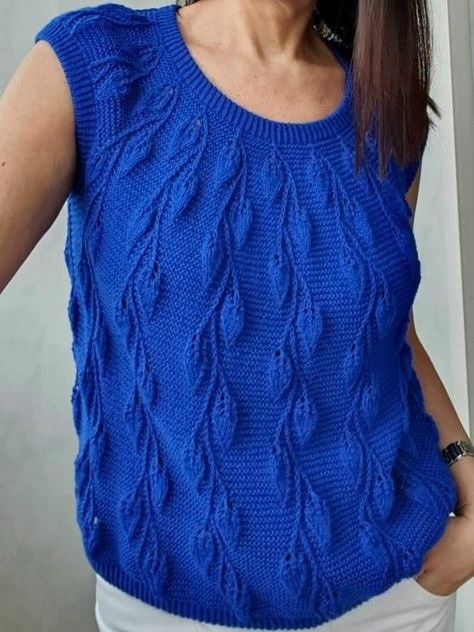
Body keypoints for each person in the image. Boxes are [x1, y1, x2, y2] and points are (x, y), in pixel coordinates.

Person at [1, 0, 474, 630]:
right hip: (172, 605)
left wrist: (466, 474)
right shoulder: (97, 65)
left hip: (399, 596)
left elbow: (388, 332)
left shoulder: (385, 114)